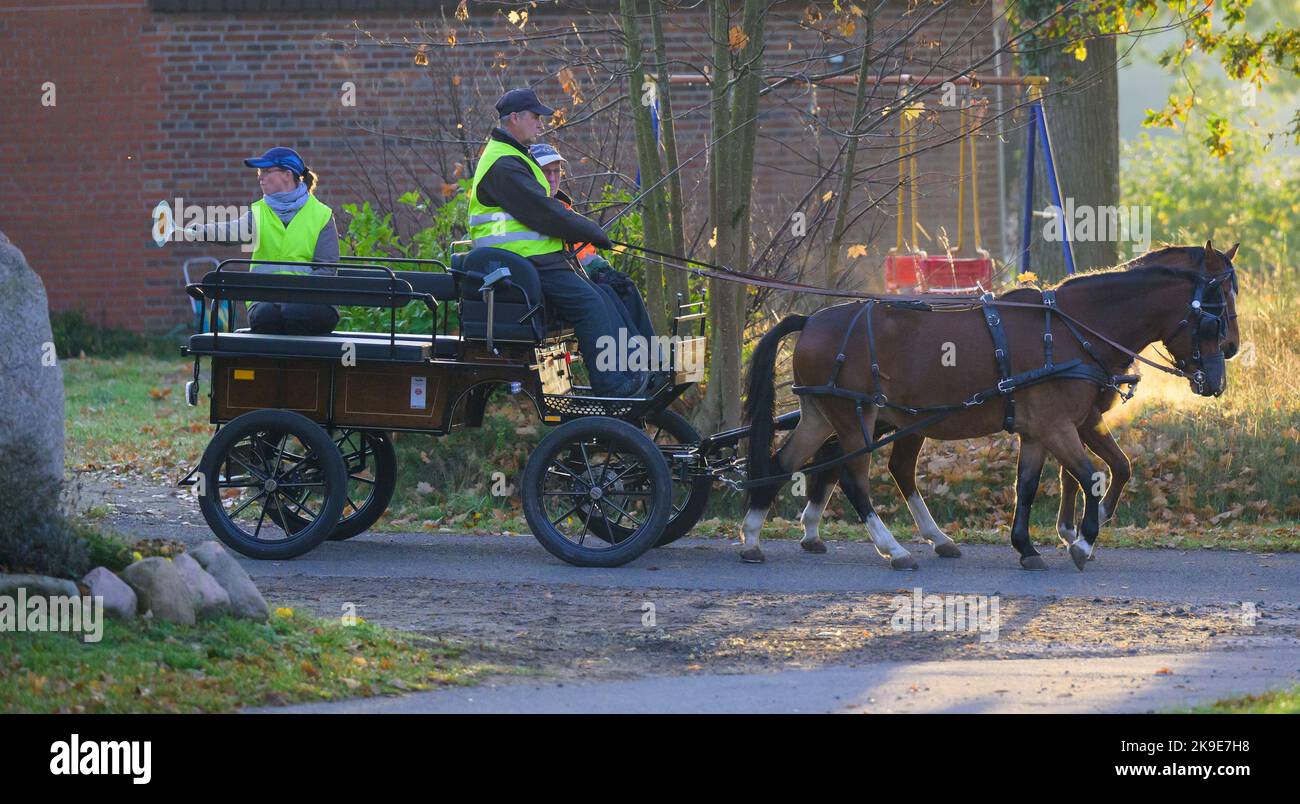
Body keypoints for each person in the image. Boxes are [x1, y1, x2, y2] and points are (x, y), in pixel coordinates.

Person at [468, 88, 664, 398]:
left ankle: (637, 371)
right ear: (515, 118)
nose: (541, 123)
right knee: (591, 306)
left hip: (536, 261)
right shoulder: (502, 163)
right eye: (535, 117)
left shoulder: (514, 156)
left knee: (603, 297)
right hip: (520, 265)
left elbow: (543, 212)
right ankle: (612, 386)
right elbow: (543, 212)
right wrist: (591, 230)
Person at [185, 146, 341, 335]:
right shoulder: (258, 212)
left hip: (312, 302)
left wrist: (293, 296)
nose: (260, 177)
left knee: (293, 312)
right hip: (265, 301)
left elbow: (326, 270)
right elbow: (231, 231)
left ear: (287, 174)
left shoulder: (321, 215)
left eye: (266, 171)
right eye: (260, 172)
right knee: (268, 315)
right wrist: (198, 230)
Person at [529, 143, 658, 345]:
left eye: (556, 171)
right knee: (607, 295)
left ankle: (652, 361)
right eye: (545, 172)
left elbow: (585, 252)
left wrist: (601, 268)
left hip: (584, 273)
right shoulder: (533, 207)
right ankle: (633, 364)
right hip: (557, 282)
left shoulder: (562, 207)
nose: (552, 178)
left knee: (625, 287)